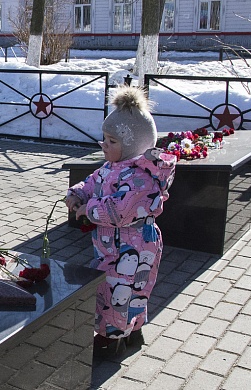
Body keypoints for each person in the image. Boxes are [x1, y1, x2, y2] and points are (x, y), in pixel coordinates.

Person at [64, 86, 176, 358]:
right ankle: (132, 332)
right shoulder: (111, 167)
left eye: (112, 141)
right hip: (112, 245)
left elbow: (119, 211)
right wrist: (77, 193)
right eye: (104, 138)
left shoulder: (141, 177)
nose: (104, 145)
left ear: (132, 145)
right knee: (121, 288)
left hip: (135, 246)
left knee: (122, 290)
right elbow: (93, 183)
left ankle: (111, 340)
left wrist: (88, 209)